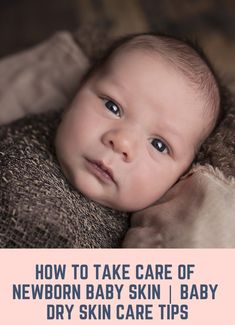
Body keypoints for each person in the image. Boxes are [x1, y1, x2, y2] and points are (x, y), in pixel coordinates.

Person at [0, 32, 221, 247]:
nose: (122, 142)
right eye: (112, 107)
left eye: (158, 145)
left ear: (181, 176)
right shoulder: (27, 132)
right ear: (78, 91)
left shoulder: (141, 239)